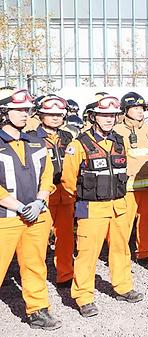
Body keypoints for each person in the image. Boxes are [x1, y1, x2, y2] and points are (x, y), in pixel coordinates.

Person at [61, 95, 144, 317]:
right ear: (93, 116)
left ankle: (123, 287)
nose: (108, 119)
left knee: (120, 249)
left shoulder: (119, 140)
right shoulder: (78, 145)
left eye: (112, 115)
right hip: (92, 208)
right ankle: (83, 297)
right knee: (87, 254)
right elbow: (68, 181)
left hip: (118, 206)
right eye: (104, 115)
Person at [0, 88, 62, 329]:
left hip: (36, 215)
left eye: (26, 110)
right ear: (4, 112)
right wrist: (17, 206)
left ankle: (38, 310)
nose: (25, 115)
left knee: (35, 263)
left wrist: (40, 200)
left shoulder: (36, 141)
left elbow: (48, 175)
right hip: (6, 217)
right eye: (19, 110)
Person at [28, 94, 79, 287]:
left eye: (59, 114)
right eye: (50, 114)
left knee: (65, 237)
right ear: (40, 115)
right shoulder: (31, 138)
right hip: (43, 195)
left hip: (65, 193)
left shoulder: (68, 137)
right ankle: (35, 279)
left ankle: (64, 275)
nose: (56, 117)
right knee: (39, 241)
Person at [113, 92, 148, 264]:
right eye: (135, 108)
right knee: (123, 223)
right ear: (125, 110)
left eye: (142, 108)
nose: (140, 112)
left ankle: (145, 252)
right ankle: (119, 256)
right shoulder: (117, 131)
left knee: (147, 220)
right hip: (126, 186)